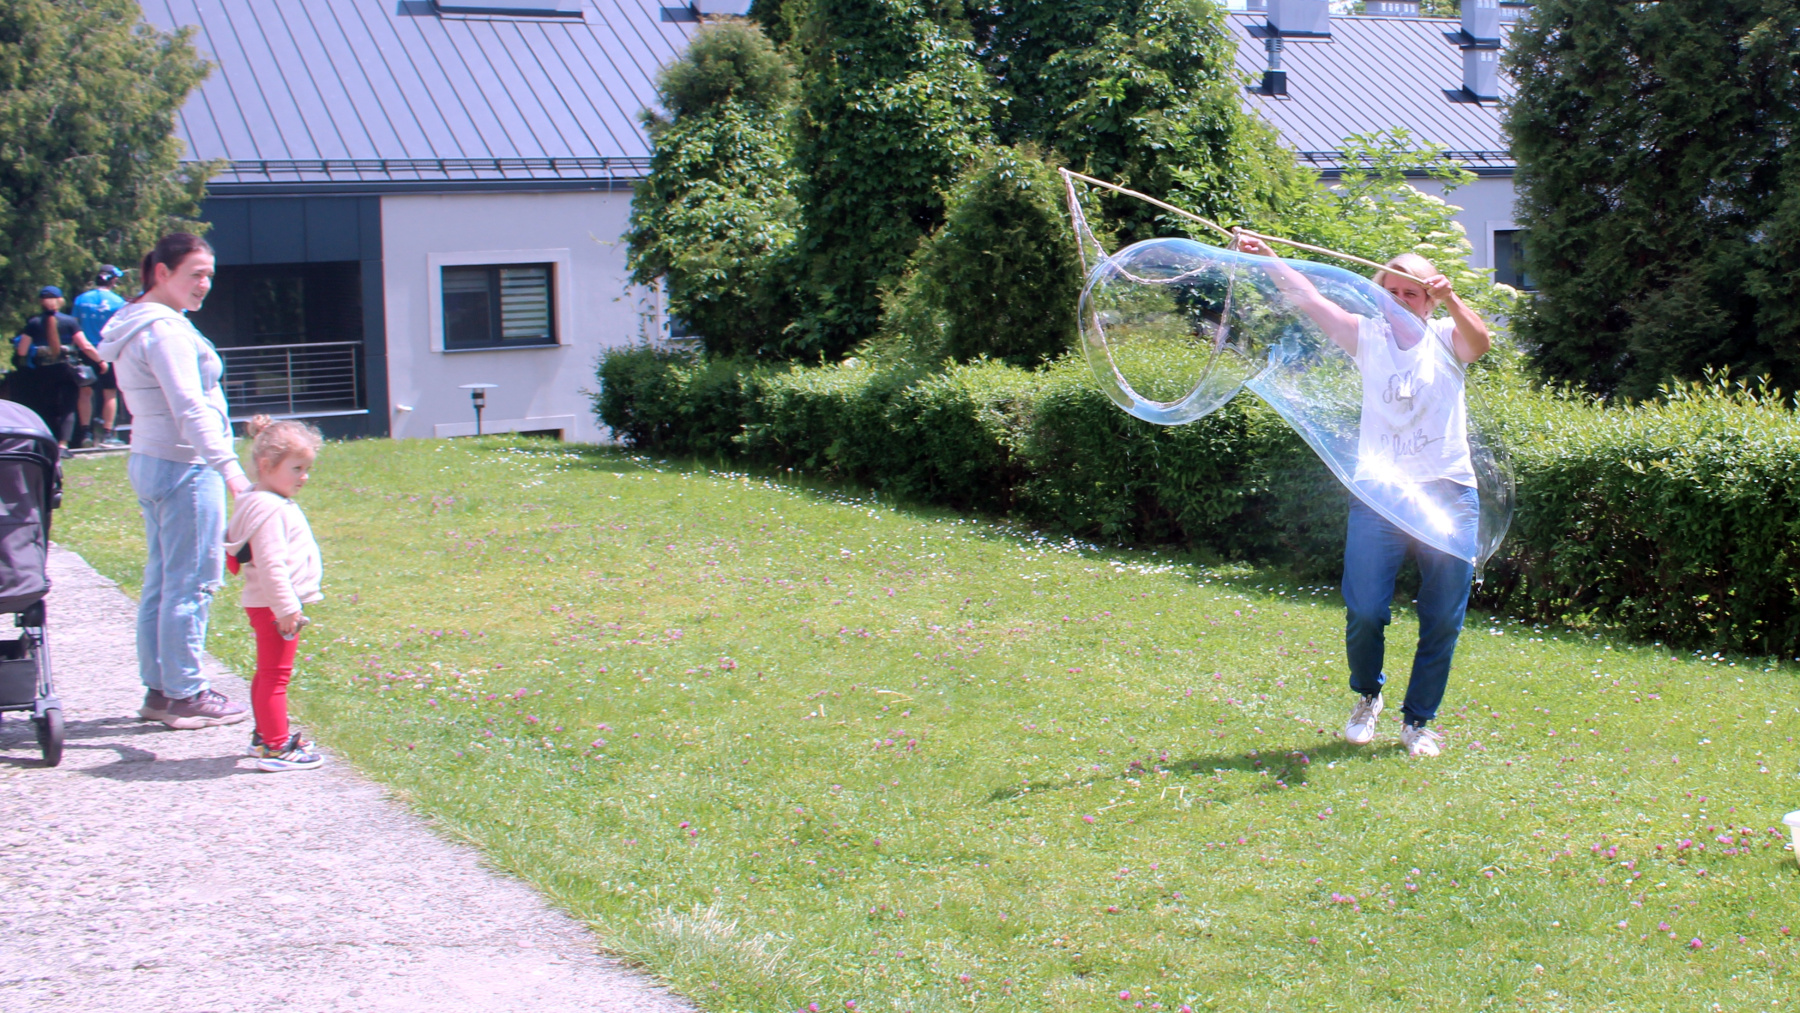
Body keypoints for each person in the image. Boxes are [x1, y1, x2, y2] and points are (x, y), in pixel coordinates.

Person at [1239, 238, 1490, 758]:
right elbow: (1310, 298)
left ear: (1430, 300)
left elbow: (1480, 343)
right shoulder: (1366, 336)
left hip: (1449, 490)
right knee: (1366, 608)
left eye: (1411, 294)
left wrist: (1454, 299)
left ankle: (1418, 722)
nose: (1399, 301)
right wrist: (1267, 257)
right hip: (1380, 492)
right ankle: (1368, 696)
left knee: (1443, 617)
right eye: (1390, 292)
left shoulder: (1446, 337)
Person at [97, 233, 254, 729]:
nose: (205, 284)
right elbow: (189, 407)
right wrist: (231, 471)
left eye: (210, 275)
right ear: (162, 273)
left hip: (153, 460)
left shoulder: (139, 321)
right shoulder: (165, 331)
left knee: (163, 580)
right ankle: (185, 694)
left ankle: (161, 690)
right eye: (195, 274)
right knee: (192, 582)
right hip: (186, 466)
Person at [224, 415, 325, 772]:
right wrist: (286, 608)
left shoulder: (257, 498)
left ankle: (264, 735)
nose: (304, 476)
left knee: (267, 673)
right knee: (275, 677)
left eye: (307, 468)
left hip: (268, 605)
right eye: (297, 468)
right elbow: (271, 565)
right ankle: (276, 747)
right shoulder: (269, 510)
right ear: (266, 465)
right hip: (274, 606)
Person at [15, 287, 85, 452]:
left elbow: (22, 351)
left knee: (48, 407)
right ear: (60, 300)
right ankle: (63, 444)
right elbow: (84, 345)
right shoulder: (70, 321)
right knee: (68, 407)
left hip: (44, 371)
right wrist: (101, 361)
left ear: (41, 302)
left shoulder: (33, 323)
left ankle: (49, 444)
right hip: (67, 370)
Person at [73, 265, 128, 446]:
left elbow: (75, 325)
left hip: (86, 351)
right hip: (109, 351)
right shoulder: (118, 302)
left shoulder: (81, 300)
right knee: (110, 393)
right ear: (113, 280)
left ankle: (85, 433)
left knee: (85, 392)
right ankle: (108, 434)